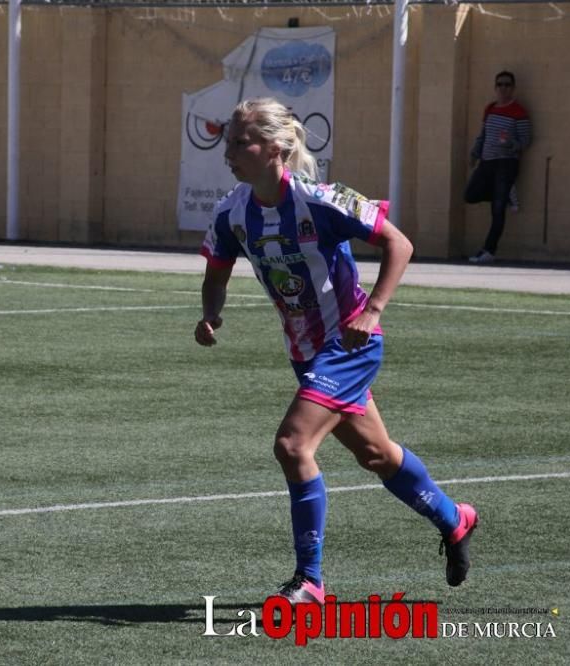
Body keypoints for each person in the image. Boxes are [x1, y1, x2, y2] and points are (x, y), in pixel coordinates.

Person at [195, 97, 478, 603]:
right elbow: (216, 271)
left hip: (349, 346)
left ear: (278, 148)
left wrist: (373, 311)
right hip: (306, 354)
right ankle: (454, 519)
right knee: (376, 455)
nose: (229, 151)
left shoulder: (322, 200)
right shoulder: (231, 213)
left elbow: (400, 243)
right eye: (228, 141)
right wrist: (211, 313)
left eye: (242, 141)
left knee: (292, 445)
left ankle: (310, 582)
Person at [465, 70, 533, 263]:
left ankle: (489, 250)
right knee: (470, 194)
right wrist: (475, 153)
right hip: (487, 162)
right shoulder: (491, 108)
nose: (503, 88)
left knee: (497, 210)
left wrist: (510, 143)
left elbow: (526, 140)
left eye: (507, 85)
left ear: (513, 88)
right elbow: (483, 134)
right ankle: (505, 194)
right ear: (495, 88)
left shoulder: (519, 112)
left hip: (506, 163)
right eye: (500, 84)